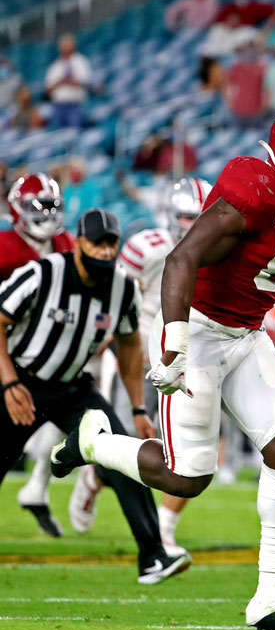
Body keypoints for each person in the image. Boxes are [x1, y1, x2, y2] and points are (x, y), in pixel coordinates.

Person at [51, 103, 275, 630]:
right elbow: (181, 260)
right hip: (194, 327)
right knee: (187, 476)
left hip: (246, 335)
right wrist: (172, 343)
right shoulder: (257, 184)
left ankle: (273, 599)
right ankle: (95, 443)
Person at [2, 209, 189, 583]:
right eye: (97, 243)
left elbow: (130, 343)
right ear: (79, 243)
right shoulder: (43, 273)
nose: (105, 251)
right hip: (23, 380)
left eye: (111, 244)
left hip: (73, 386)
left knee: (123, 456)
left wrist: (138, 405)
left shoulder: (122, 287)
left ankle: (153, 556)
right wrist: (8, 383)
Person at [83, 177, 213, 550]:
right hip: (139, 345)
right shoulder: (148, 246)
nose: (193, 224)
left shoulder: (220, 249)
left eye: (200, 216)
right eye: (188, 216)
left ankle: (165, 529)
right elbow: (115, 295)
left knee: (197, 445)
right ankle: (95, 478)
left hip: (190, 352)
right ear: (172, 215)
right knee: (123, 435)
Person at [3, 174, 76, 536]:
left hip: (43, 352)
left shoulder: (64, 242)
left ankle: (38, 487)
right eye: (39, 206)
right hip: (7, 348)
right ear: (17, 209)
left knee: (67, 419)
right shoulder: (6, 247)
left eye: (52, 206)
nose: (47, 214)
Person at [43, 34, 92, 129]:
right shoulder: (55, 66)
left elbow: (83, 82)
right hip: (57, 106)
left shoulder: (81, 61)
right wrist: (61, 81)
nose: (65, 48)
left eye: (68, 45)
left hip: (75, 105)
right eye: (63, 45)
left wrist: (64, 81)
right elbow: (48, 89)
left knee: (75, 132)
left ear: (73, 45)